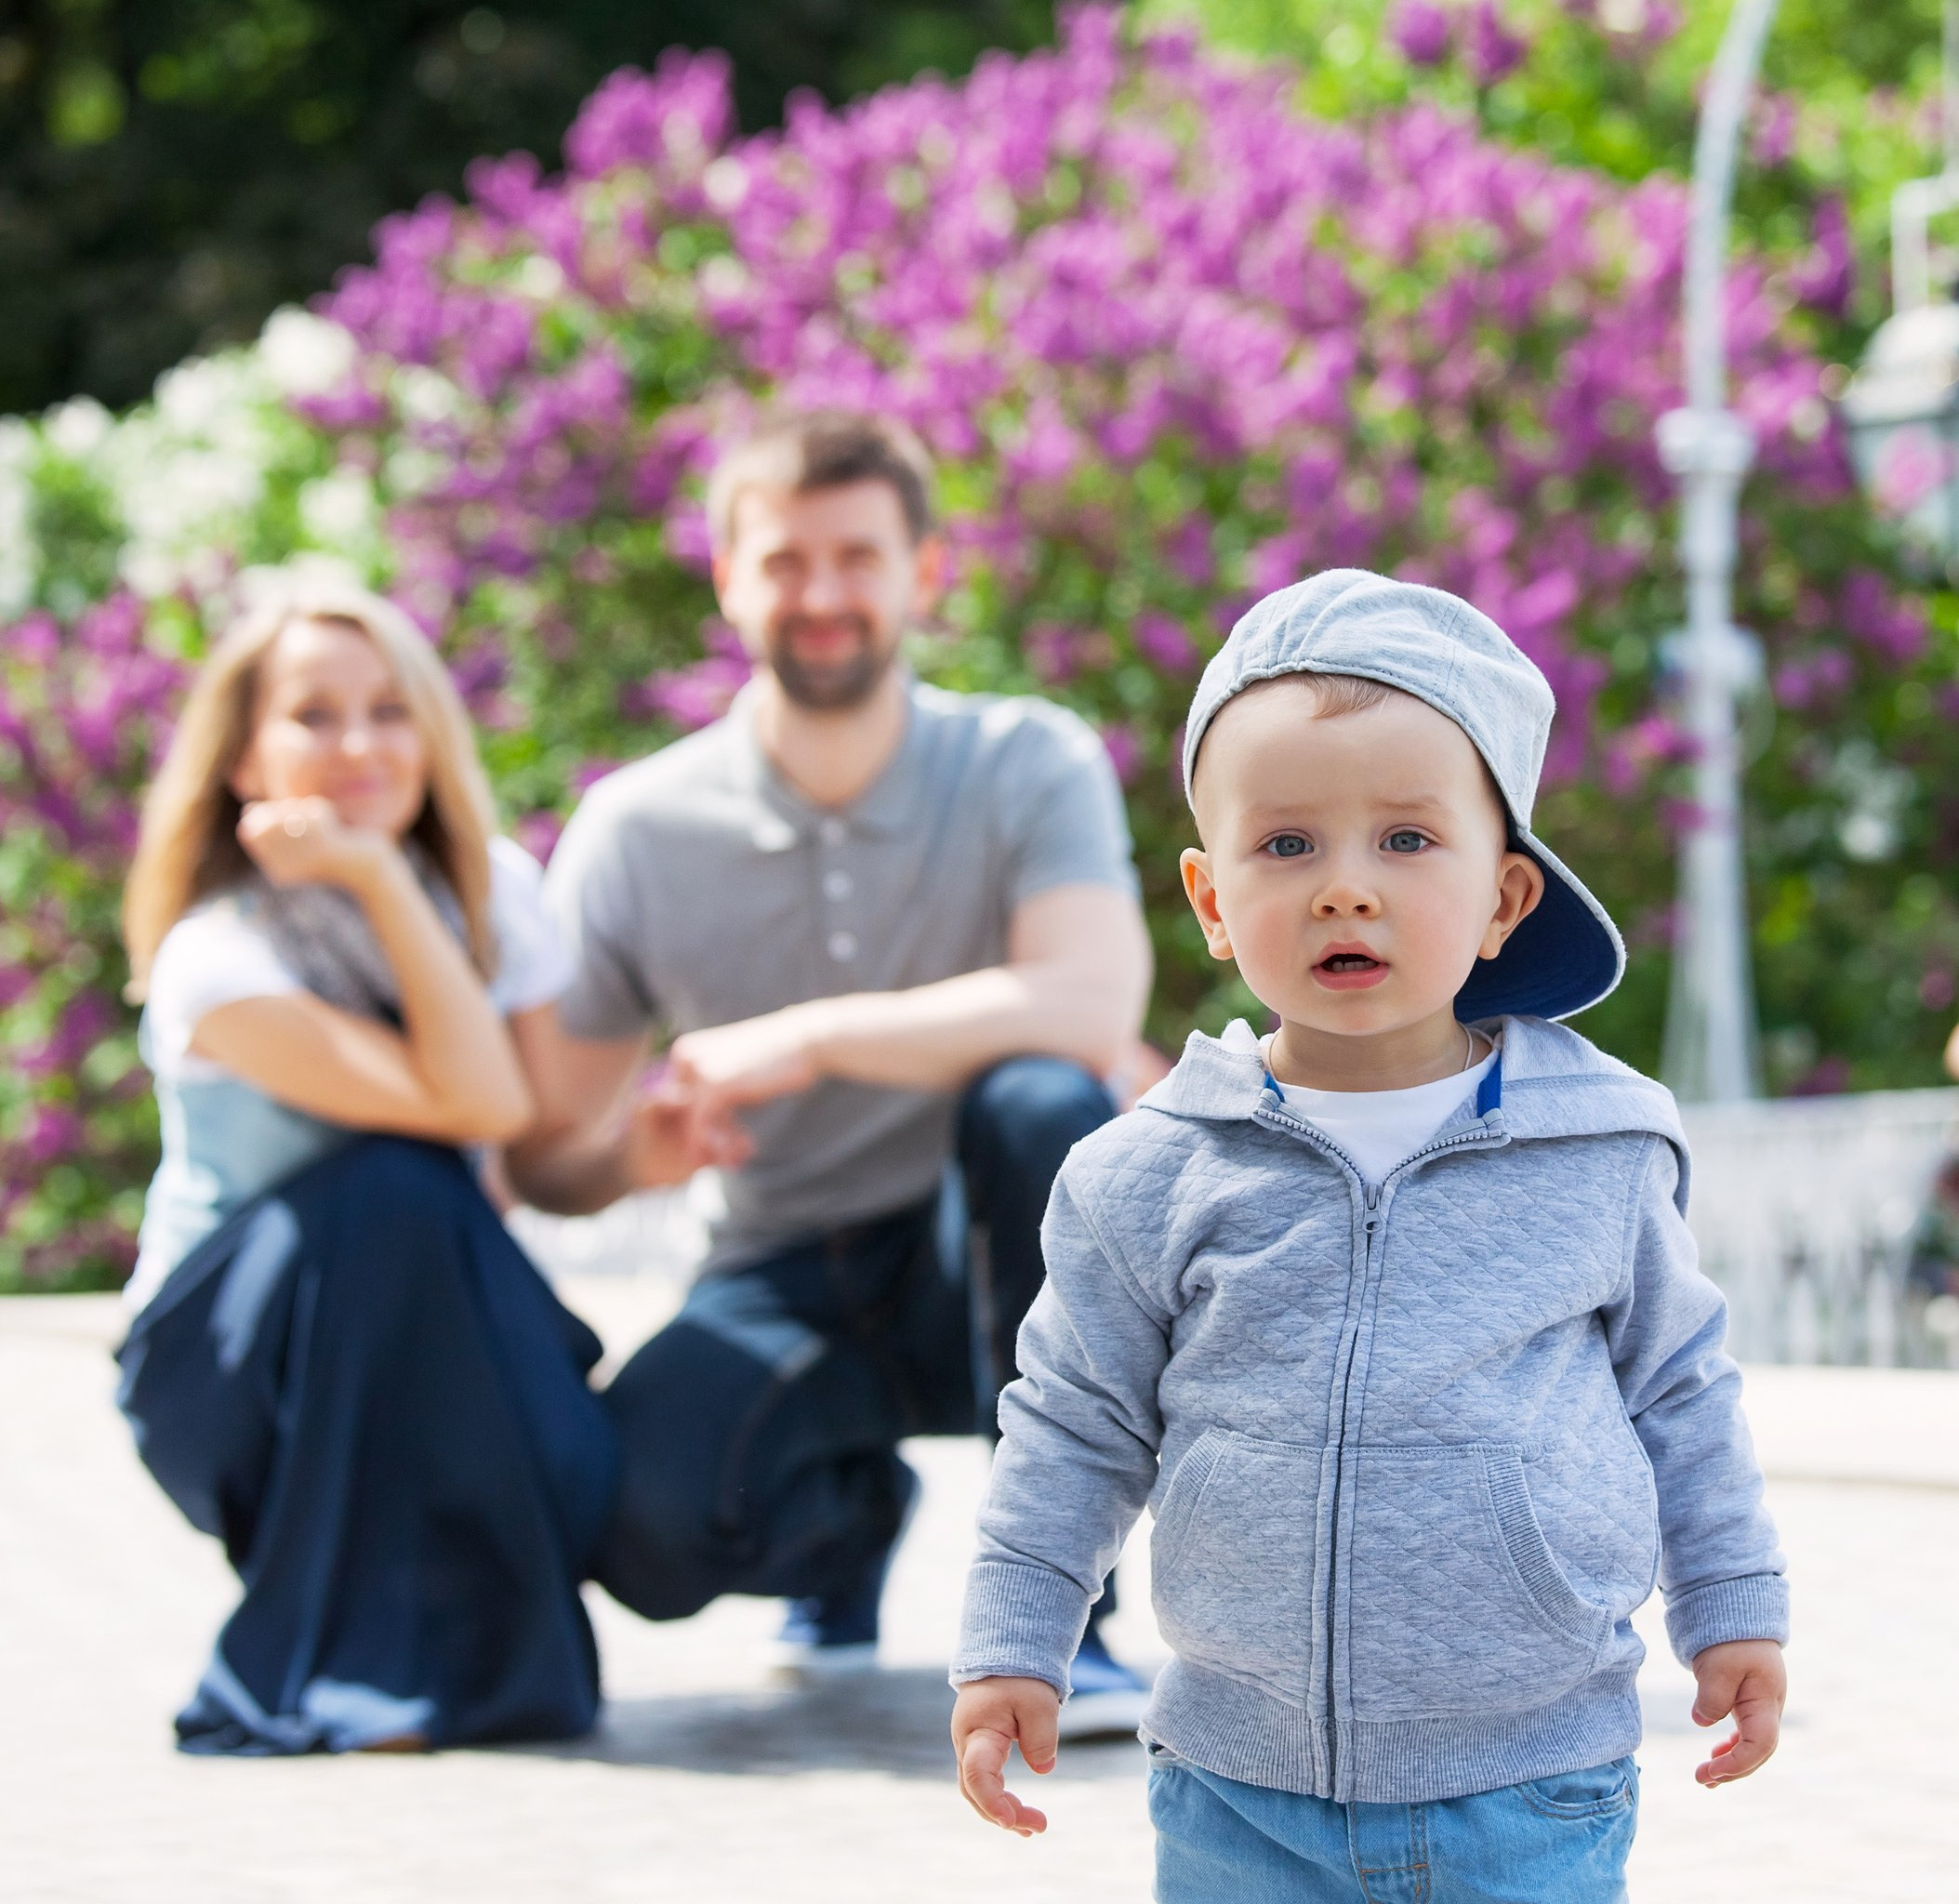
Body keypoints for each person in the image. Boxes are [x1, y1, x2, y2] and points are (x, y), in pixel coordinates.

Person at [949, 570, 1790, 1899]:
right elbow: (1072, 1422)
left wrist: (1731, 1601)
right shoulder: (1147, 1172)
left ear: (1504, 897)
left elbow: (1679, 1392)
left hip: (1531, 1777)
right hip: (1238, 1788)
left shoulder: (1600, 1147)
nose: (1345, 889)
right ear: (1209, 898)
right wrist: (1014, 1640)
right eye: (1286, 845)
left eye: (1405, 839)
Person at [505, 410, 1157, 1734]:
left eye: (856, 557)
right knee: (643, 1531)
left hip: (982, 1253)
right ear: (726, 581)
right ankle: (846, 1521)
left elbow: (1091, 1003)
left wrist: (806, 1038)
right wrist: (629, 1156)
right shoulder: (636, 828)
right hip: (781, 1261)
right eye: (783, 561)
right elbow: (543, 1155)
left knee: (1043, 1098)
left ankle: (1061, 1625)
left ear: (925, 572)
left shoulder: (1026, 761)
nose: (820, 595)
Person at [115, 573, 633, 1755]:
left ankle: (480, 1652)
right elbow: (475, 1101)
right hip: (229, 1366)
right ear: (242, 760)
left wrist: (638, 1154)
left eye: (390, 710)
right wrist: (378, 876)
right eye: (313, 715)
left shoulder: (494, 889)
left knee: (453, 1253)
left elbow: (534, 1136)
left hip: (440, 1327)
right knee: (394, 1182)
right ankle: (348, 1671)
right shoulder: (216, 957)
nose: (360, 745)